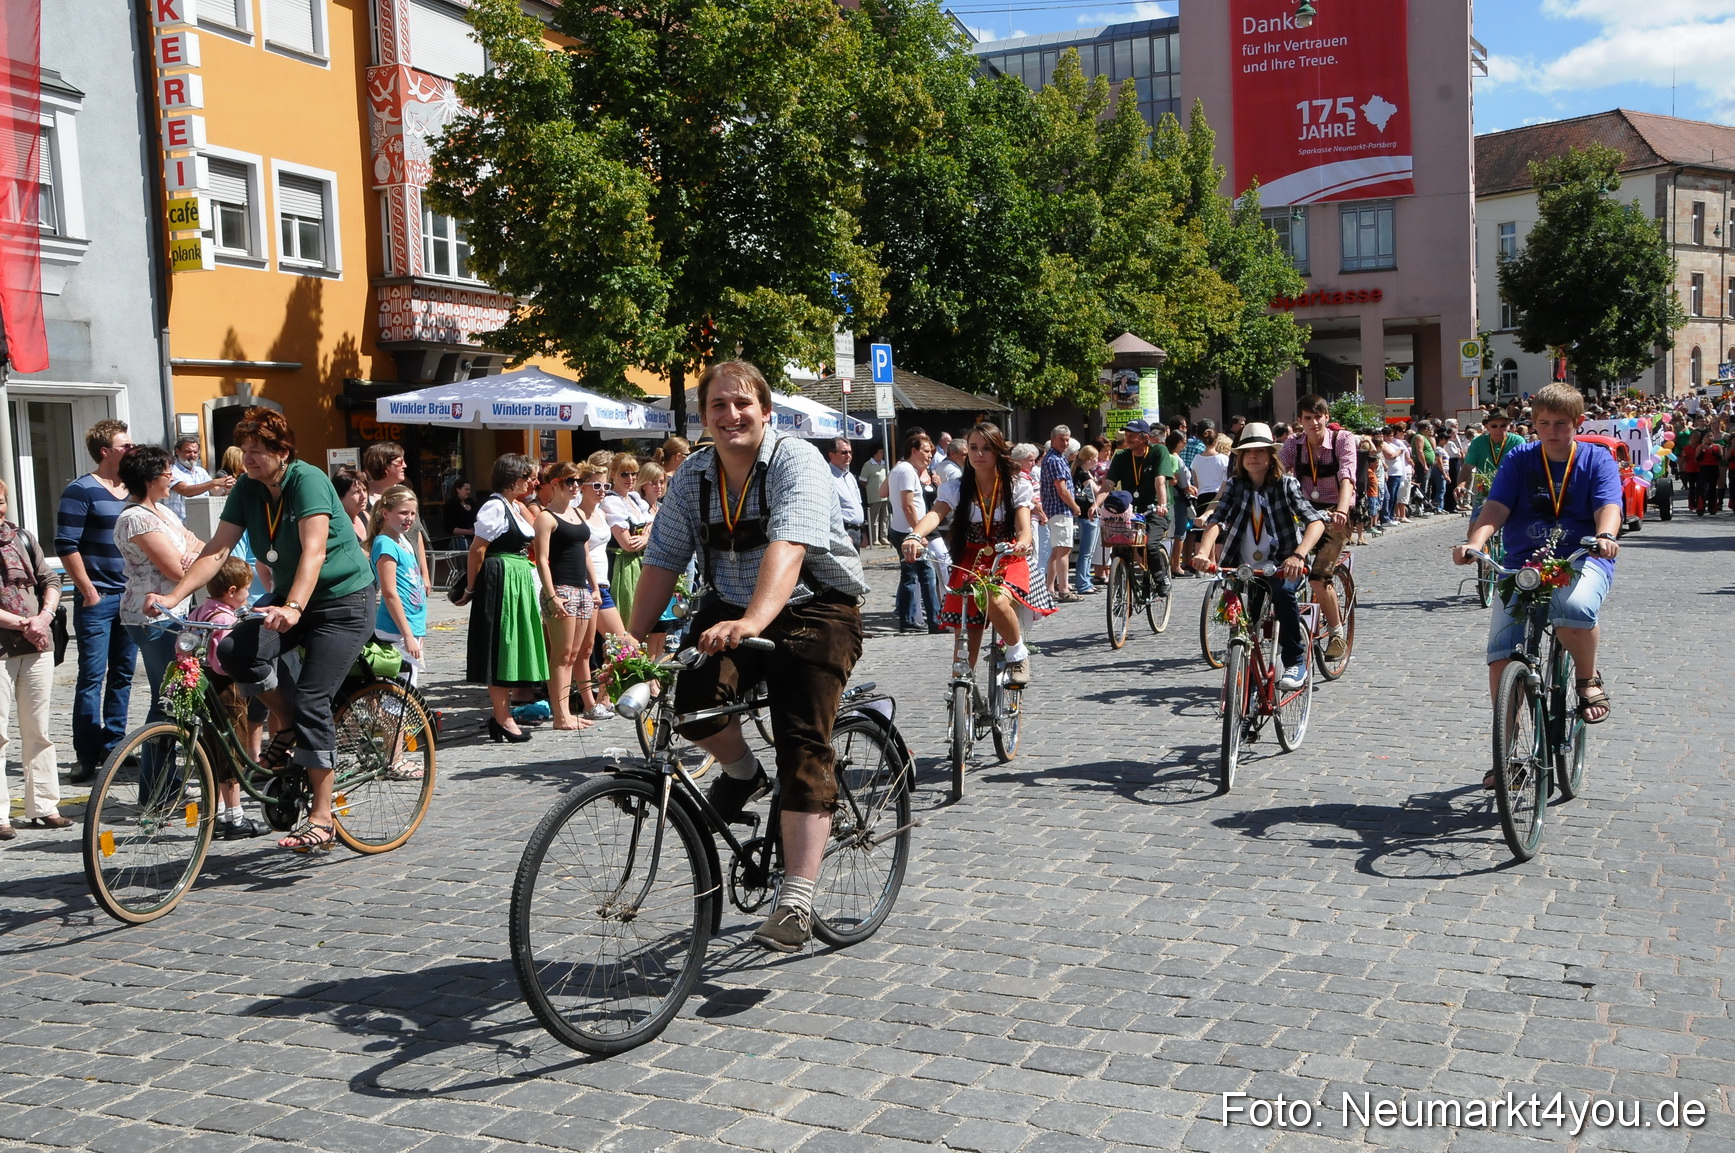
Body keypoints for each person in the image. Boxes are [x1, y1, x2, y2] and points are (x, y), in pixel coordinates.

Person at [629, 358, 870, 954]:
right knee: (688, 701)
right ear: (704, 416)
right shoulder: (693, 477)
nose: (731, 415)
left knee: (800, 737)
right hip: (732, 606)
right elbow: (661, 560)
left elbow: (787, 549)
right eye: (718, 406)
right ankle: (743, 773)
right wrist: (631, 648)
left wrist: (753, 622)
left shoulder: (796, 460)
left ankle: (797, 900)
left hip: (816, 606)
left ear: (765, 411)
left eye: (743, 404)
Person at [144, 407, 378, 853]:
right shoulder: (249, 490)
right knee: (233, 650)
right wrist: (174, 597)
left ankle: (323, 816)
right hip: (292, 597)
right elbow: (217, 550)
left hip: (343, 601)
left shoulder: (307, 480)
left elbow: (313, 551)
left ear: (282, 451)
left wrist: (291, 605)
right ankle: (286, 723)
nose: (247, 459)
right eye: (244, 450)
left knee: (314, 698)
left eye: (257, 451)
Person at [1453, 383, 1620, 774]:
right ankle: (1507, 752)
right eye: (1543, 422)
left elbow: (1608, 505)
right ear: (1533, 423)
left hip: (1582, 556)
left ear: (1577, 423)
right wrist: (1474, 543)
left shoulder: (1596, 460)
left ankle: (1585, 678)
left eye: (1561, 423)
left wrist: (1607, 536)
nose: (1552, 430)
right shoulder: (1520, 459)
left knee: (1574, 606)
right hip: (1523, 564)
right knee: (1501, 654)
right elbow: (1496, 506)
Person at [903, 421, 1047, 684]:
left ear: (998, 452)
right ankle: (962, 701)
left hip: (1007, 557)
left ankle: (1017, 653)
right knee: (963, 639)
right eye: (973, 448)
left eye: (986, 448)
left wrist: (1024, 542)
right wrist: (915, 535)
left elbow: (1024, 527)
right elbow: (936, 513)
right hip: (971, 560)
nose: (979, 454)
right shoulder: (957, 487)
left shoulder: (1015, 486)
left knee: (995, 600)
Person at [1191, 424, 1327, 692]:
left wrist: (1298, 556)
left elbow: (1316, 522)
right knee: (1246, 622)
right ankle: (1249, 678)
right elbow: (1216, 520)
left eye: (1259, 452)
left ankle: (1294, 661)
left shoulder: (1286, 484)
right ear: (1240, 459)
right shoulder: (1234, 486)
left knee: (1282, 594)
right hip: (1246, 568)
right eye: (1246, 453)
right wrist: (1202, 553)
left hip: (1282, 565)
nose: (1253, 457)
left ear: (1270, 456)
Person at [56, 418, 137, 785]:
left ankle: (115, 746)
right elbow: (66, 545)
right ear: (105, 452)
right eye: (125, 446)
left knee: (123, 675)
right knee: (91, 676)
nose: (131, 450)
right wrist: (87, 590)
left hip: (130, 597)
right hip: (98, 598)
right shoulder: (81, 490)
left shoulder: (134, 491)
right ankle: (86, 754)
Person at [463, 454, 548, 743]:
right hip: (500, 581)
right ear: (513, 478)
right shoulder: (495, 506)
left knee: (512, 647)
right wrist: (471, 588)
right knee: (500, 648)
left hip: (517, 579)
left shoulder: (515, 506)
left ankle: (504, 714)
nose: (532, 482)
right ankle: (502, 716)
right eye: (527, 477)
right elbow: (478, 549)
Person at [185, 557, 271, 836]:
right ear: (233, 591)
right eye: (246, 588)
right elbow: (225, 659)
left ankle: (216, 813)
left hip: (204, 683)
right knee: (232, 749)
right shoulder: (225, 618)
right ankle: (235, 817)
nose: (248, 594)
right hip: (227, 687)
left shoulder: (201, 610)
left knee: (212, 749)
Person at [0, 478, 66, 838]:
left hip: (37, 643)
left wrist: (45, 616)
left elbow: (50, 579)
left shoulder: (21, 536)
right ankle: (0, 816)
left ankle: (44, 806)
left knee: (38, 730)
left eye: (1, 501)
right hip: (4, 647)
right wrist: (24, 623)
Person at [1279, 395, 1356, 660]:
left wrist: (1343, 510)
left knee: (1318, 577)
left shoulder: (1342, 440)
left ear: (1327, 416)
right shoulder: (1294, 444)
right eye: (1308, 418)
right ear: (1300, 421)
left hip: (1336, 511)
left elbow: (1347, 477)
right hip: (1304, 513)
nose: (1314, 423)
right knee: (1276, 566)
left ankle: (1336, 632)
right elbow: (1277, 470)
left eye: (1318, 417)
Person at [533, 461, 598, 731]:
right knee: (561, 654)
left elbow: (585, 554)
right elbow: (542, 559)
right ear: (556, 483)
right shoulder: (546, 517)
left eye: (577, 481)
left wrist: (594, 587)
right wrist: (551, 595)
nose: (575, 486)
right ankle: (560, 715)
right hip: (561, 589)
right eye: (569, 481)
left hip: (582, 590)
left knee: (575, 654)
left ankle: (568, 711)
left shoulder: (579, 515)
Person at [1090, 419, 1172, 592]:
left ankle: (1160, 578)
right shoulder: (1121, 456)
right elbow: (1108, 484)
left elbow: (1160, 481)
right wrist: (1095, 504)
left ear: (1144, 438)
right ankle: (1121, 584)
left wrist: (1162, 504)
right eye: (1126, 435)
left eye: (1132, 435)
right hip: (1129, 512)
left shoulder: (1159, 451)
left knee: (1150, 545)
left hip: (1154, 510)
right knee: (1119, 546)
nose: (1128, 438)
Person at [368, 485, 427, 684]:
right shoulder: (385, 544)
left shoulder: (403, 539)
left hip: (411, 624)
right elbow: (390, 592)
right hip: (396, 628)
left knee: (410, 684)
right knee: (400, 687)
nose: (409, 518)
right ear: (385, 513)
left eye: (412, 513)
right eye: (403, 513)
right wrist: (408, 634)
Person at [888, 429, 941, 632]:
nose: (930, 456)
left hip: (904, 530)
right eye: (926, 451)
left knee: (910, 575)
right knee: (927, 575)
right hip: (908, 532)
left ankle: (909, 619)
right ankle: (934, 621)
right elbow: (907, 505)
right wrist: (919, 533)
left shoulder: (901, 469)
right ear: (914, 450)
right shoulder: (907, 470)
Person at [600, 453, 652, 627]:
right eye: (624, 474)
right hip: (622, 566)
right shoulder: (611, 502)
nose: (630, 478)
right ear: (613, 474)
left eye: (634, 473)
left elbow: (654, 525)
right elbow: (628, 544)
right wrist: (647, 538)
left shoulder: (635, 499)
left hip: (640, 563)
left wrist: (645, 537)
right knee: (627, 618)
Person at [1039, 425, 1082, 601]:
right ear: (1053, 439)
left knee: (1056, 551)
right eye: (1062, 439)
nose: (1066, 443)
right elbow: (1061, 489)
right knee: (1064, 550)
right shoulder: (1055, 460)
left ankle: (1050, 588)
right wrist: (1075, 506)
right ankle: (1063, 589)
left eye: (1067, 439)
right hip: (1059, 509)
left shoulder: (1056, 457)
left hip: (1055, 510)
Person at [1463, 413, 1525, 516]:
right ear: (1487, 426)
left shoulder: (1518, 441)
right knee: (1474, 529)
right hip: (1484, 493)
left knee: (1514, 529)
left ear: (1509, 426)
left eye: (1503, 426)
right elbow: (1467, 467)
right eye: (1494, 426)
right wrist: (1461, 484)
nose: (1499, 429)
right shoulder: (1478, 443)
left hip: (1511, 491)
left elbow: (1523, 467)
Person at [1185, 433, 1230, 572]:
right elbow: (1226, 481)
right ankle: (1218, 563)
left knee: (1202, 531)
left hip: (1203, 495)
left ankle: (1201, 566)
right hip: (1218, 494)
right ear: (1217, 441)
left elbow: (1196, 480)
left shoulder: (1196, 459)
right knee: (1219, 531)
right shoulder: (1223, 459)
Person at [166, 433, 234, 519]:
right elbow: (185, 490)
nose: (192, 455)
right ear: (177, 451)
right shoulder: (171, 470)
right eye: (188, 452)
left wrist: (225, 486)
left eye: (195, 452)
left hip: (201, 521)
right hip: (180, 524)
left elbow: (215, 492)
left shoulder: (201, 471)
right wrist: (215, 482)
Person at [1071, 444, 1100, 595]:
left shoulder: (1080, 472)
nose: (1097, 461)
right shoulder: (1084, 475)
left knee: (1088, 551)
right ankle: (1082, 583)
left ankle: (1086, 579)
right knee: (1086, 552)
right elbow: (1097, 492)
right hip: (1088, 515)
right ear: (1089, 459)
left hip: (1084, 515)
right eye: (1095, 458)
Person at [826, 438, 865, 547]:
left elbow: (857, 504)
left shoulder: (850, 476)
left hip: (856, 531)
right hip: (843, 532)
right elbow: (827, 510)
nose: (848, 456)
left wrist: (863, 531)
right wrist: (841, 534)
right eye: (844, 452)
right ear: (831, 455)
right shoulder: (827, 476)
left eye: (850, 452)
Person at [859, 447, 890, 546]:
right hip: (874, 496)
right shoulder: (868, 465)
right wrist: (870, 488)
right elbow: (862, 480)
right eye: (880, 452)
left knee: (885, 518)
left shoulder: (885, 464)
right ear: (875, 454)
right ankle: (874, 539)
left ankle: (884, 537)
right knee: (874, 519)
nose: (883, 453)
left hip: (885, 496)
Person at [331, 465, 370, 542]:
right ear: (340, 496)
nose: (364, 496)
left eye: (365, 490)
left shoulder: (365, 516)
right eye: (357, 492)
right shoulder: (336, 525)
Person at [444, 479, 478, 548]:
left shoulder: (471, 502)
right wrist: (469, 532)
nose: (469, 492)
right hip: (459, 538)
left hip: (475, 536)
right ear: (458, 489)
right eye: (466, 489)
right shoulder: (451, 505)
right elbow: (450, 528)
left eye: (469, 490)